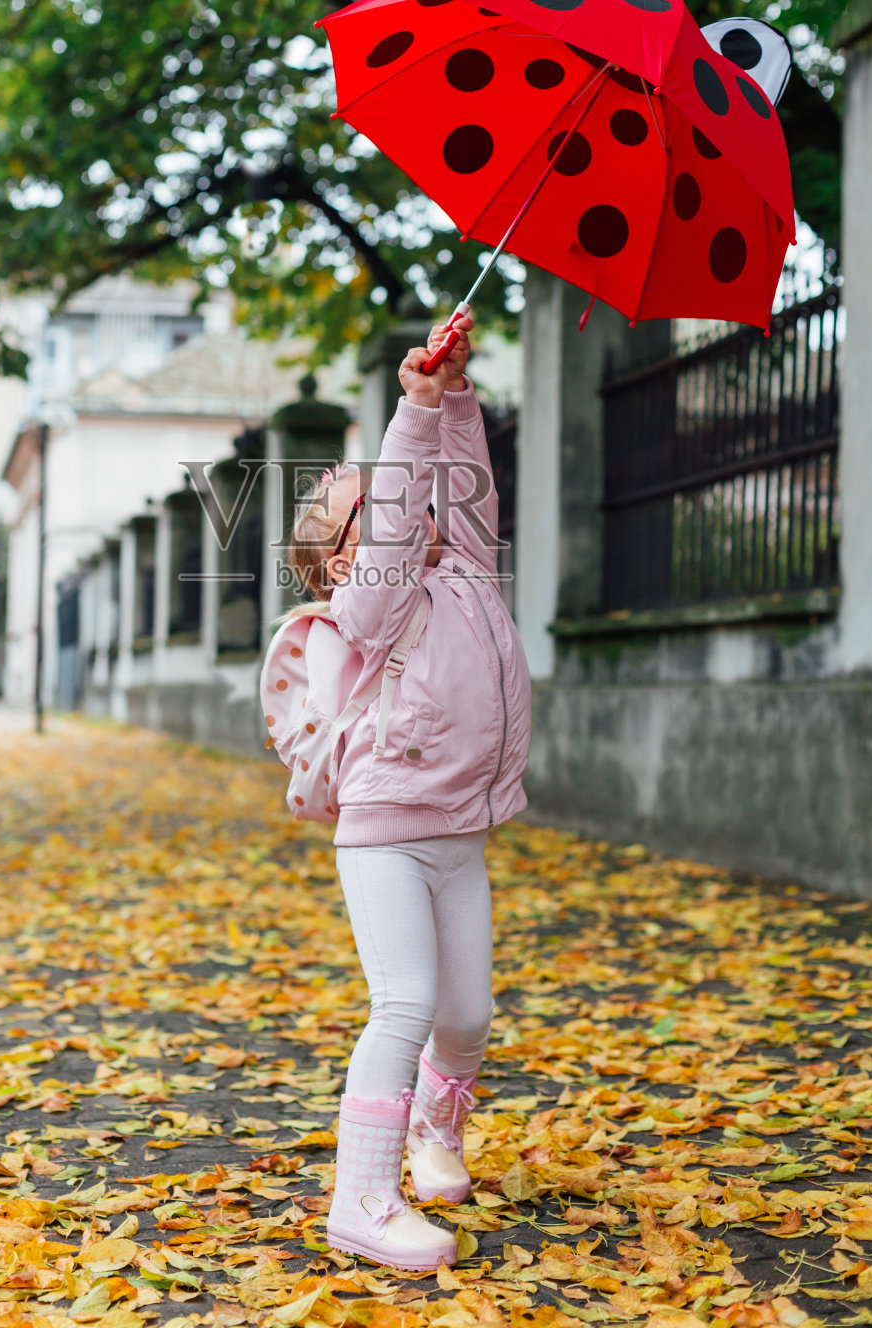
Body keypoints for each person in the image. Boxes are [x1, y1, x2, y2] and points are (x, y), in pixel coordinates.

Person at [286, 310, 532, 1271]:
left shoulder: (465, 569)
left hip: (461, 835)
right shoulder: (370, 607)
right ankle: (362, 1198)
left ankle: (436, 1132)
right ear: (346, 556)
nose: (406, 504)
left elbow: (460, 491)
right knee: (406, 1003)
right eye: (376, 505)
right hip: (386, 837)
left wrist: (458, 394)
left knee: (467, 1015)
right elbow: (396, 523)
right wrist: (411, 409)